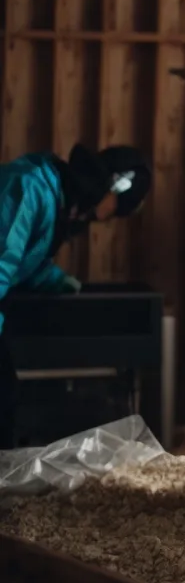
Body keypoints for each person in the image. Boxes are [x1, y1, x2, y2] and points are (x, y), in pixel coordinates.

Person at [0, 144, 153, 445]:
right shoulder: (30, 188)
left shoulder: (55, 203)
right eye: (115, 210)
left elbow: (24, 261)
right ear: (111, 192)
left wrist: (57, 280)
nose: (107, 219)